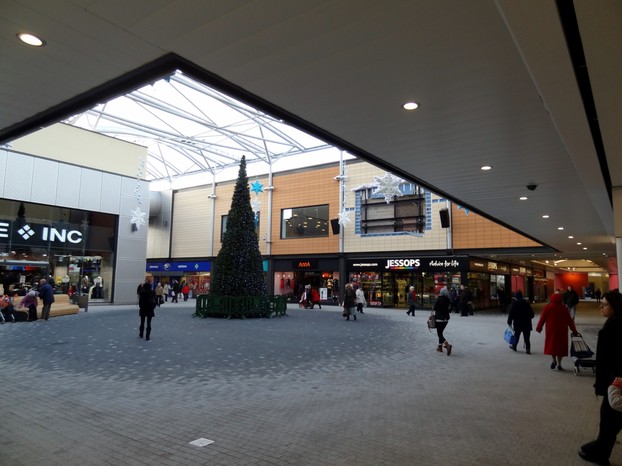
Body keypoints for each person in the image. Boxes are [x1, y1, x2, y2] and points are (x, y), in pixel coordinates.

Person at [579, 291, 622, 465]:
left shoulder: (616, 326)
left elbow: (613, 358)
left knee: (609, 419)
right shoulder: (615, 323)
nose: (600, 307)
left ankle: (601, 453)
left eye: (604, 305)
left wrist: (612, 381)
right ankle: (600, 447)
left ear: (615, 307)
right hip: (614, 379)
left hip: (616, 382)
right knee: (610, 419)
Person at [535, 292, 578, 370]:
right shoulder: (564, 308)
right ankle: (559, 364)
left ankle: (554, 360)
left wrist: (539, 328)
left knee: (552, 346)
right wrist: (574, 331)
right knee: (560, 348)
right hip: (562, 331)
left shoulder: (548, 307)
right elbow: (570, 321)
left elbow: (542, 319)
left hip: (551, 331)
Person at [433, 287, 452, 355]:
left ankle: (447, 345)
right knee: (440, 332)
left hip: (439, 318)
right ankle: (439, 347)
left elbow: (434, 308)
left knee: (439, 334)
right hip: (446, 319)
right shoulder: (448, 299)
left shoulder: (439, 299)